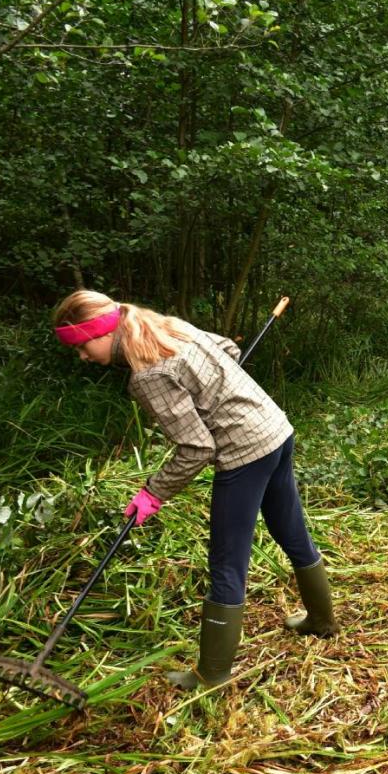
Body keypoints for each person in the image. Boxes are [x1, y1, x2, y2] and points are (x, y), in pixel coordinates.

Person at [52, 290, 339, 691]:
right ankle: (322, 621)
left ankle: (212, 674)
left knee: (227, 563)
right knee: (289, 529)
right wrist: (213, 385)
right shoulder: (170, 328)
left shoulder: (147, 375)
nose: (82, 356)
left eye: (82, 345)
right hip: (274, 429)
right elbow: (228, 350)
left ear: (103, 332)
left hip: (244, 452)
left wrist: (154, 492)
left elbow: (196, 448)